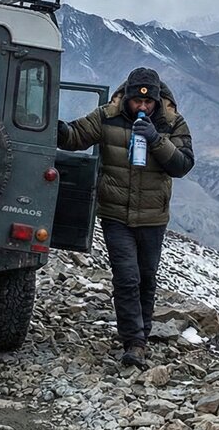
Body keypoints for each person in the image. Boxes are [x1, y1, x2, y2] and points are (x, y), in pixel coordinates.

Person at [57, 67, 194, 368]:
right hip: (115, 213)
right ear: (127, 98)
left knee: (146, 278)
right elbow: (76, 136)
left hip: (153, 217)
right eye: (136, 102)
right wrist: (51, 127)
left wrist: (156, 140)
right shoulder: (108, 116)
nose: (142, 107)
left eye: (148, 103)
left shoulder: (172, 123)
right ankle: (134, 342)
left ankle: (141, 334)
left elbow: (183, 165)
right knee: (126, 277)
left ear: (157, 101)